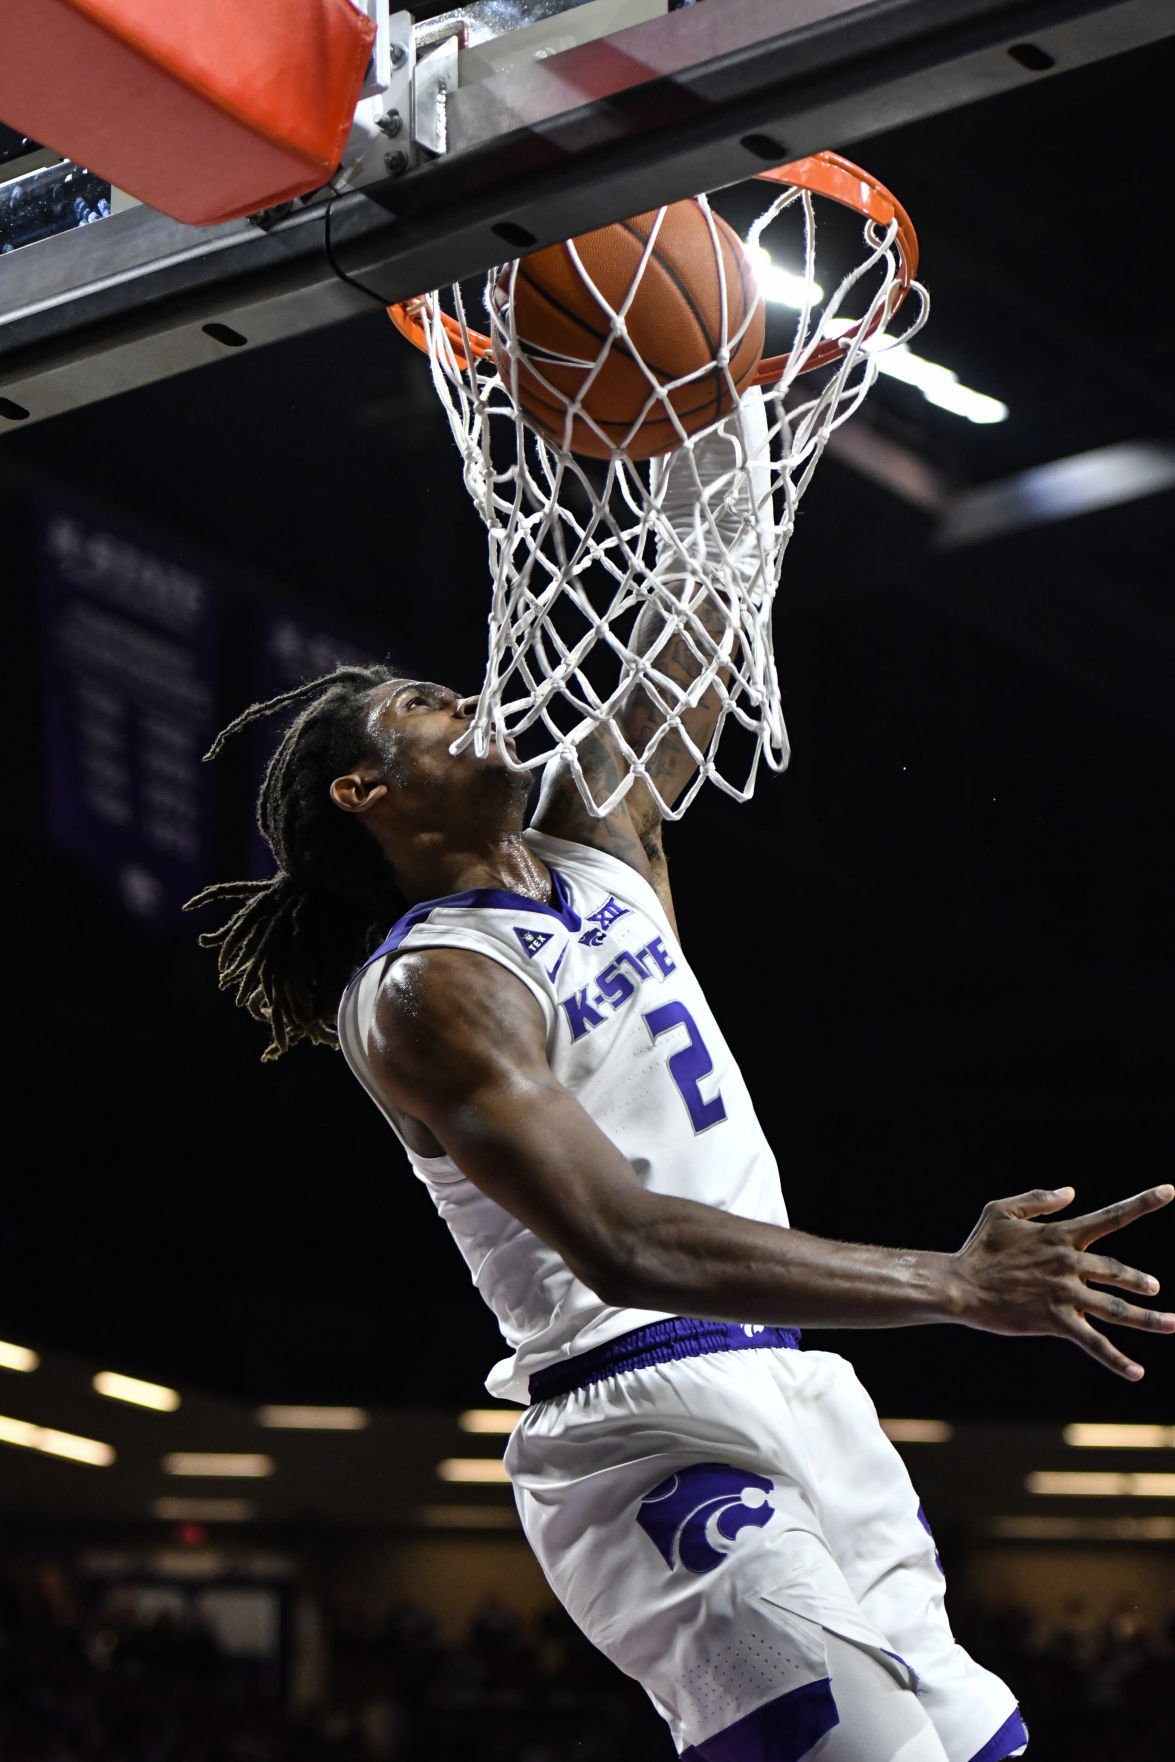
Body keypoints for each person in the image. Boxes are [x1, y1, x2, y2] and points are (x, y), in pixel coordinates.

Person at [189, 401, 1173, 1762]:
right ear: (366, 791)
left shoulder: (597, 838)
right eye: (427, 708)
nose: (471, 700)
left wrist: (722, 409)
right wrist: (953, 1281)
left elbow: (699, 620)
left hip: (797, 1383)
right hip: (639, 1415)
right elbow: (626, 1241)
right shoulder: (429, 988)